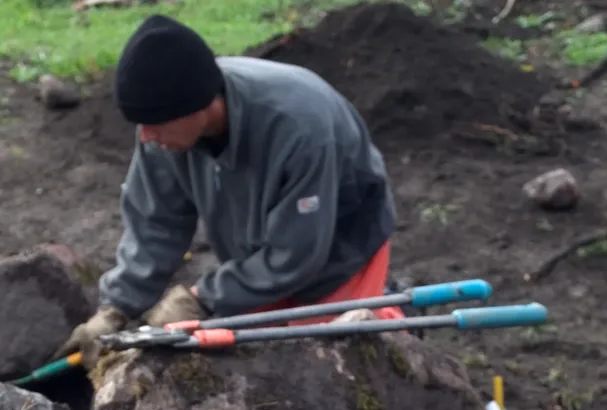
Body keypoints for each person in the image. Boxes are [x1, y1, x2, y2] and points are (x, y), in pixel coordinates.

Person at [61, 14, 398, 362]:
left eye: (153, 124)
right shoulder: (164, 124)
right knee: (255, 355)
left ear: (199, 106)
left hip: (338, 250)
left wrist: (201, 298)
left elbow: (297, 253)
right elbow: (156, 222)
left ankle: (394, 323)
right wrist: (116, 307)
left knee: (326, 360)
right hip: (258, 252)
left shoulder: (299, 128)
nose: (145, 137)